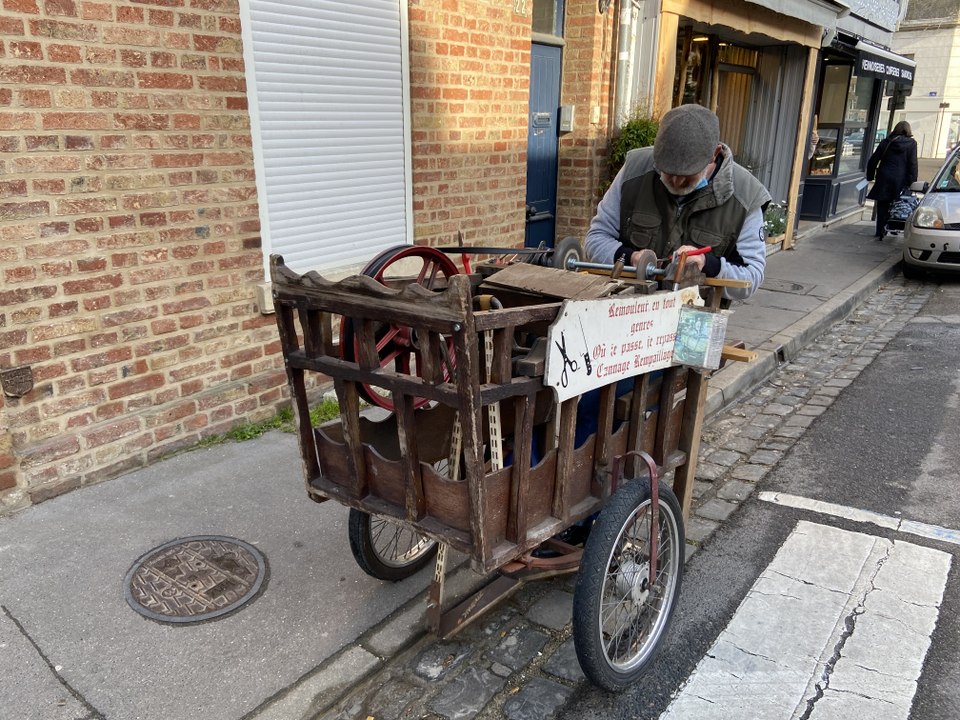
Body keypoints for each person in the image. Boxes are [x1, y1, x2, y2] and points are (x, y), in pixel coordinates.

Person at [585, 103, 771, 302]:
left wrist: (707, 263)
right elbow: (596, 238)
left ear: (714, 154)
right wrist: (631, 257)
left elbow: (752, 276)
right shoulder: (634, 170)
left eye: (688, 174)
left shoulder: (746, 197)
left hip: (695, 314)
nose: (676, 182)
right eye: (668, 172)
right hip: (625, 306)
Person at [866, 120, 918, 240]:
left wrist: (870, 176)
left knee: (882, 204)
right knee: (898, 203)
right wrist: (912, 182)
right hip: (900, 178)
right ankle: (894, 225)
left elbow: (873, 160)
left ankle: (880, 231)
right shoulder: (911, 143)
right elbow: (913, 164)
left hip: (884, 176)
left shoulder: (886, 142)